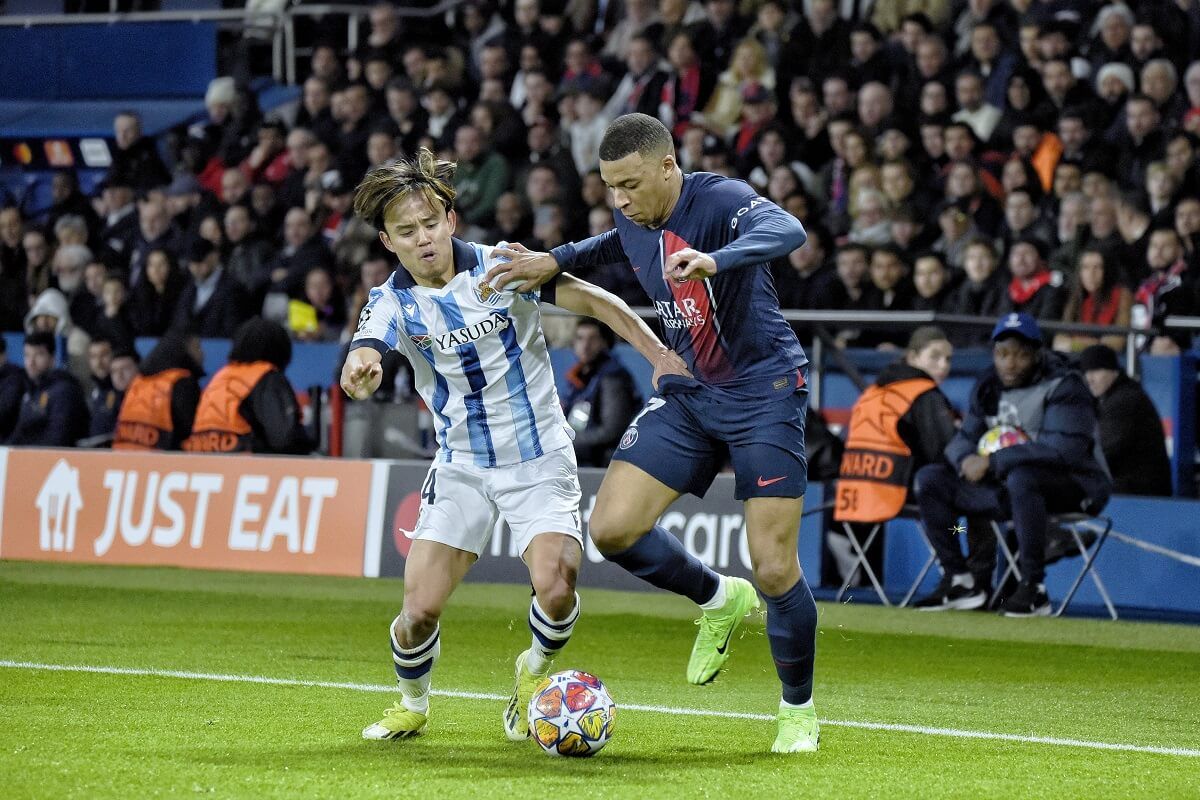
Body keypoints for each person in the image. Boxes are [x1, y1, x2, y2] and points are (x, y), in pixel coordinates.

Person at [486, 113, 820, 753]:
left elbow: (787, 228)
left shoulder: (718, 200)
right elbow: (608, 244)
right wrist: (549, 260)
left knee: (776, 568)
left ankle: (797, 710)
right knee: (611, 530)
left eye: (631, 184)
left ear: (669, 167)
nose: (621, 199)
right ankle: (719, 599)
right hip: (690, 393)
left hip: (764, 394)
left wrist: (716, 261)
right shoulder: (633, 217)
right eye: (611, 187)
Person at [341, 149, 689, 743]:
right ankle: (412, 703)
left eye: (430, 224)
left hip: (540, 457)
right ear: (387, 241)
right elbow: (366, 346)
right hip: (462, 467)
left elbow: (596, 302)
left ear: (451, 220)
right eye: (407, 232)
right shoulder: (392, 301)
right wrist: (362, 367)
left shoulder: (504, 269)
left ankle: (530, 673)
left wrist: (658, 354)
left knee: (557, 587)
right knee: (417, 611)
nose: (423, 239)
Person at [913, 314, 1112, 617]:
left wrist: (992, 461)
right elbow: (963, 439)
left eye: (1020, 354)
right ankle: (960, 580)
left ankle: (1034, 588)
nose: (1010, 363)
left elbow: (1063, 451)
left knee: (1023, 477)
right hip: (1009, 486)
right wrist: (966, 459)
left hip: (1075, 484)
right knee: (931, 479)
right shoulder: (989, 386)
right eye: (1003, 354)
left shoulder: (1065, 385)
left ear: (1037, 353)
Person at [834, 327, 962, 587]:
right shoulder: (924, 393)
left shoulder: (873, 390)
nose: (943, 365)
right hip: (898, 490)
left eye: (948, 359)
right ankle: (964, 577)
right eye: (935, 357)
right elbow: (944, 452)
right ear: (913, 357)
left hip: (854, 490)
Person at [183, 318, 313, 455]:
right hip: (247, 464)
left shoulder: (220, 376)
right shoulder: (267, 377)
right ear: (280, 349)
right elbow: (284, 438)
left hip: (201, 459)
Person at [1078, 345, 1172, 497]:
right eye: (1086, 372)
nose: (1090, 379)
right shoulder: (1112, 396)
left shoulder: (1124, 400)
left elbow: (1104, 451)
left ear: (1113, 370)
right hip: (1132, 487)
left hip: (1140, 494)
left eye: (1095, 371)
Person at [561, 318, 640, 467]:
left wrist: (567, 442)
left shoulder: (613, 377)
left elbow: (611, 431)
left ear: (605, 342)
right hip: (582, 454)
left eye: (593, 339)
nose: (585, 345)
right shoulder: (580, 375)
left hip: (603, 462)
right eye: (580, 338)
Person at [114, 335, 203, 452]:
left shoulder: (138, 381)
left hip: (121, 461)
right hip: (161, 463)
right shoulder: (181, 381)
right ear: (185, 349)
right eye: (197, 348)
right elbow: (189, 430)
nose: (202, 354)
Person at [7, 331, 89, 447]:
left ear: (53, 359)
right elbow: (19, 434)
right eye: (27, 355)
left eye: (39, 355)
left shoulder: (64, 391)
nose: (31, 362)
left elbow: (58, 439)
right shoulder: (30, 391)